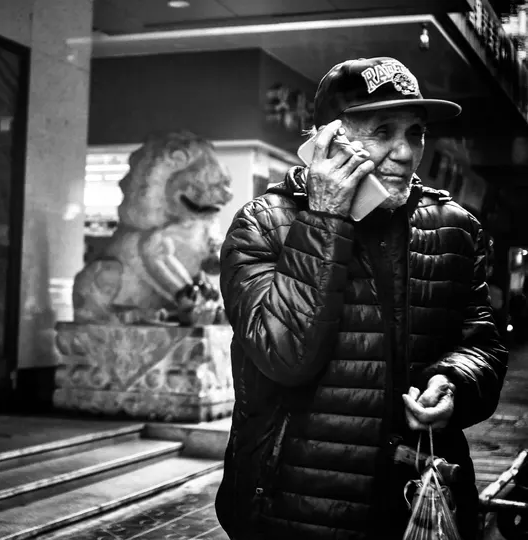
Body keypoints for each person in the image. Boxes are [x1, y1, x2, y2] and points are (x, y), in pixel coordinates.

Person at [215, 57, 508, 540]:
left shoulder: (455, 228)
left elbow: (483, 346)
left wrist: (454, 383)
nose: (405, 152)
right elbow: (284, 356)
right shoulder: (263, 225)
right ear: (327, 141)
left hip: (415, 501)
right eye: (382, 131)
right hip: (296, 506)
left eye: (415, 132)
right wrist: (324, 217)